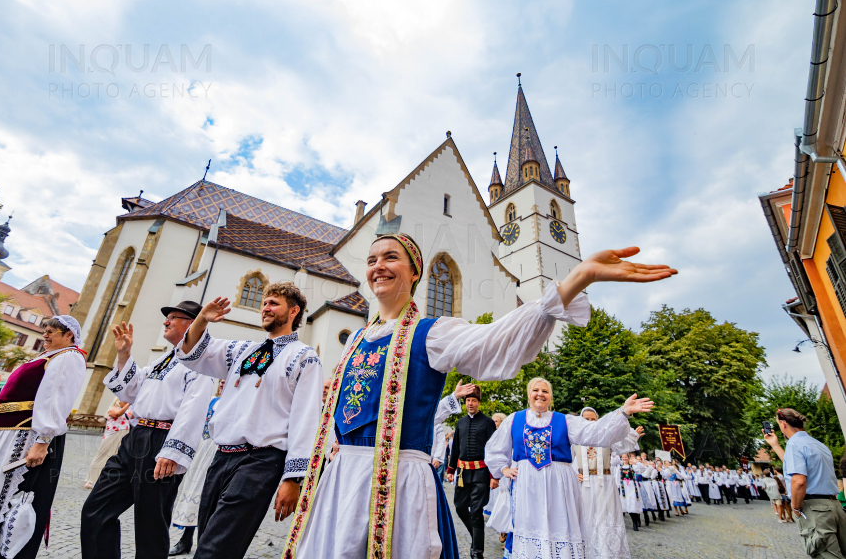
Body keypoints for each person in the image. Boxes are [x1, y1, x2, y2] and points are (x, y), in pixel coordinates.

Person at [278, 238, 674, 558]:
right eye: (372, 258)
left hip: (396, 481)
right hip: (340, 480)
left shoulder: (431, 333)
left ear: (415, 273)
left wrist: (578, 277)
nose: (378, 265)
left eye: (391, 257)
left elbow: (497, 340)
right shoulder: (357, 341)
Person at [177, 282, 323, 559]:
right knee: (207, 536)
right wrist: (201, 320)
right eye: (264, 303)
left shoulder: (305, 357)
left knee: (215, 548)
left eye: (273, 303)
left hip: (260, 461)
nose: (265, 308)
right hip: (222, 457)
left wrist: (293, 478)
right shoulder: (241, 350)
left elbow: (306, 419)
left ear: (293, 311)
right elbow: (192, 355)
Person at [81, 301, 214, 559]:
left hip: (163, 442)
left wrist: (173, 452)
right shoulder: (162, 360)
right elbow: (130, 391)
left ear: (193, 325)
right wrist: (123, 355)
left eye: (174, 317)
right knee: (96, 509)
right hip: (136, 437)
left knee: (151, 525)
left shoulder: (201, 363)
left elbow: (193, 411)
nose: (166, 321)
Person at [0, 316, 86, 559]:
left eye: (51, 331)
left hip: (20, 436)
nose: (45, 335)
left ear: (69, 335)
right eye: (45, 331)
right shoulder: (47, 357)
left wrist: (43, 440)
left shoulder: (68, 357)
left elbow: (55, 399)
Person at [486, 378, 653, 558]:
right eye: (536, 390)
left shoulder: (565, 421)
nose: (540, 394)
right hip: (528, 487)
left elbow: (596, 432)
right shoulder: (514, 419)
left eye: (545, 391)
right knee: (529, 526)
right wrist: (503, 469)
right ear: (528, 394)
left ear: (550, 396)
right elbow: (495, 448)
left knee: (559, 526)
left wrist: (623, 412)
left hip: (559, 486)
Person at [765, 408, 846, 558]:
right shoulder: (819, 445)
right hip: (834, 506)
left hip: (816, 510)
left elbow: (799, 481)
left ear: (783, 424)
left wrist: (795, 506)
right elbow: (794, 466)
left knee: (827, 555)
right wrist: (775, 445)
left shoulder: (794, 444)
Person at [574, 407, 641, 558]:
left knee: (606, 518)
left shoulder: (607, 436)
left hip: (605, 482)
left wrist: (629, 426)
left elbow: (624, 443)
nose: (590, 422)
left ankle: (606, 554)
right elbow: (566, 460)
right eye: (586, 419)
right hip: (583, 484)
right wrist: (573, 474)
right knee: (585, 517)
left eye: (593, 419)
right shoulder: (575, 437)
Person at [169, 379, 225, 556]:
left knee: (211, 497)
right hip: (201, 451)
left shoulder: (234, 402)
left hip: (219, 452)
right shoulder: (211, 401)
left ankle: (206, 543)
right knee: (193, 492)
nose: (223, 383)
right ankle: (185, 540)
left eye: (226, 380)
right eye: (221, 381)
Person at [446, 385, 497, 559]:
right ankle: (477, 538)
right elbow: (456, 449)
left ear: (479, 403)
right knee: (460, 507)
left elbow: (493, 450)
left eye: (473, 400)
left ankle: (477, 552)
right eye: (468, 400)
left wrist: (494, 476)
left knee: (476, 511)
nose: (470, 403)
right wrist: (451, 469)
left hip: (482, 474)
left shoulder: (488, 422)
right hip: (462, 474)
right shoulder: (460, 422)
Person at [83, 398, 132, 488]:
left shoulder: (128, 411)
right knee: (102, 457)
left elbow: (134, 417)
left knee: (115, 458)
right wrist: (129, 404)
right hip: (112, 434)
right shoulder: (112, 409)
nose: (125, 403)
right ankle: (89, 480)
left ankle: (106, 481)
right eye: (123, 401)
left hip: (124, 435)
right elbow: (118, 414)